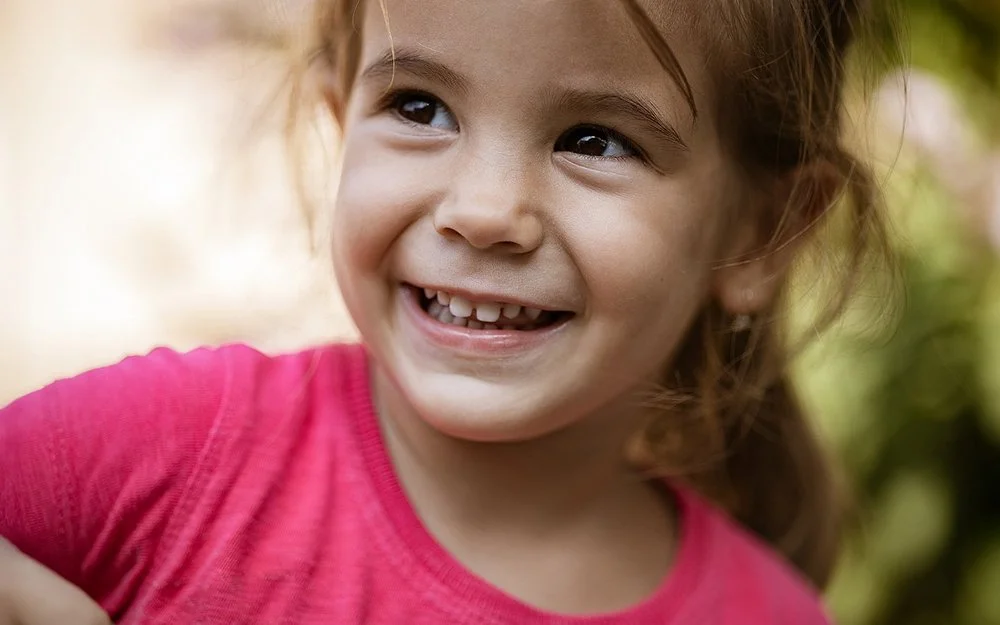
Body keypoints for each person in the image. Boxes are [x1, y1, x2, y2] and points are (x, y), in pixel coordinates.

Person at [0, 0, 895, 622]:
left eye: (595, 139)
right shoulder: (171, 455)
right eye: (418, 107)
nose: (484, 208)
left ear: (761, 233)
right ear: (336, 122)